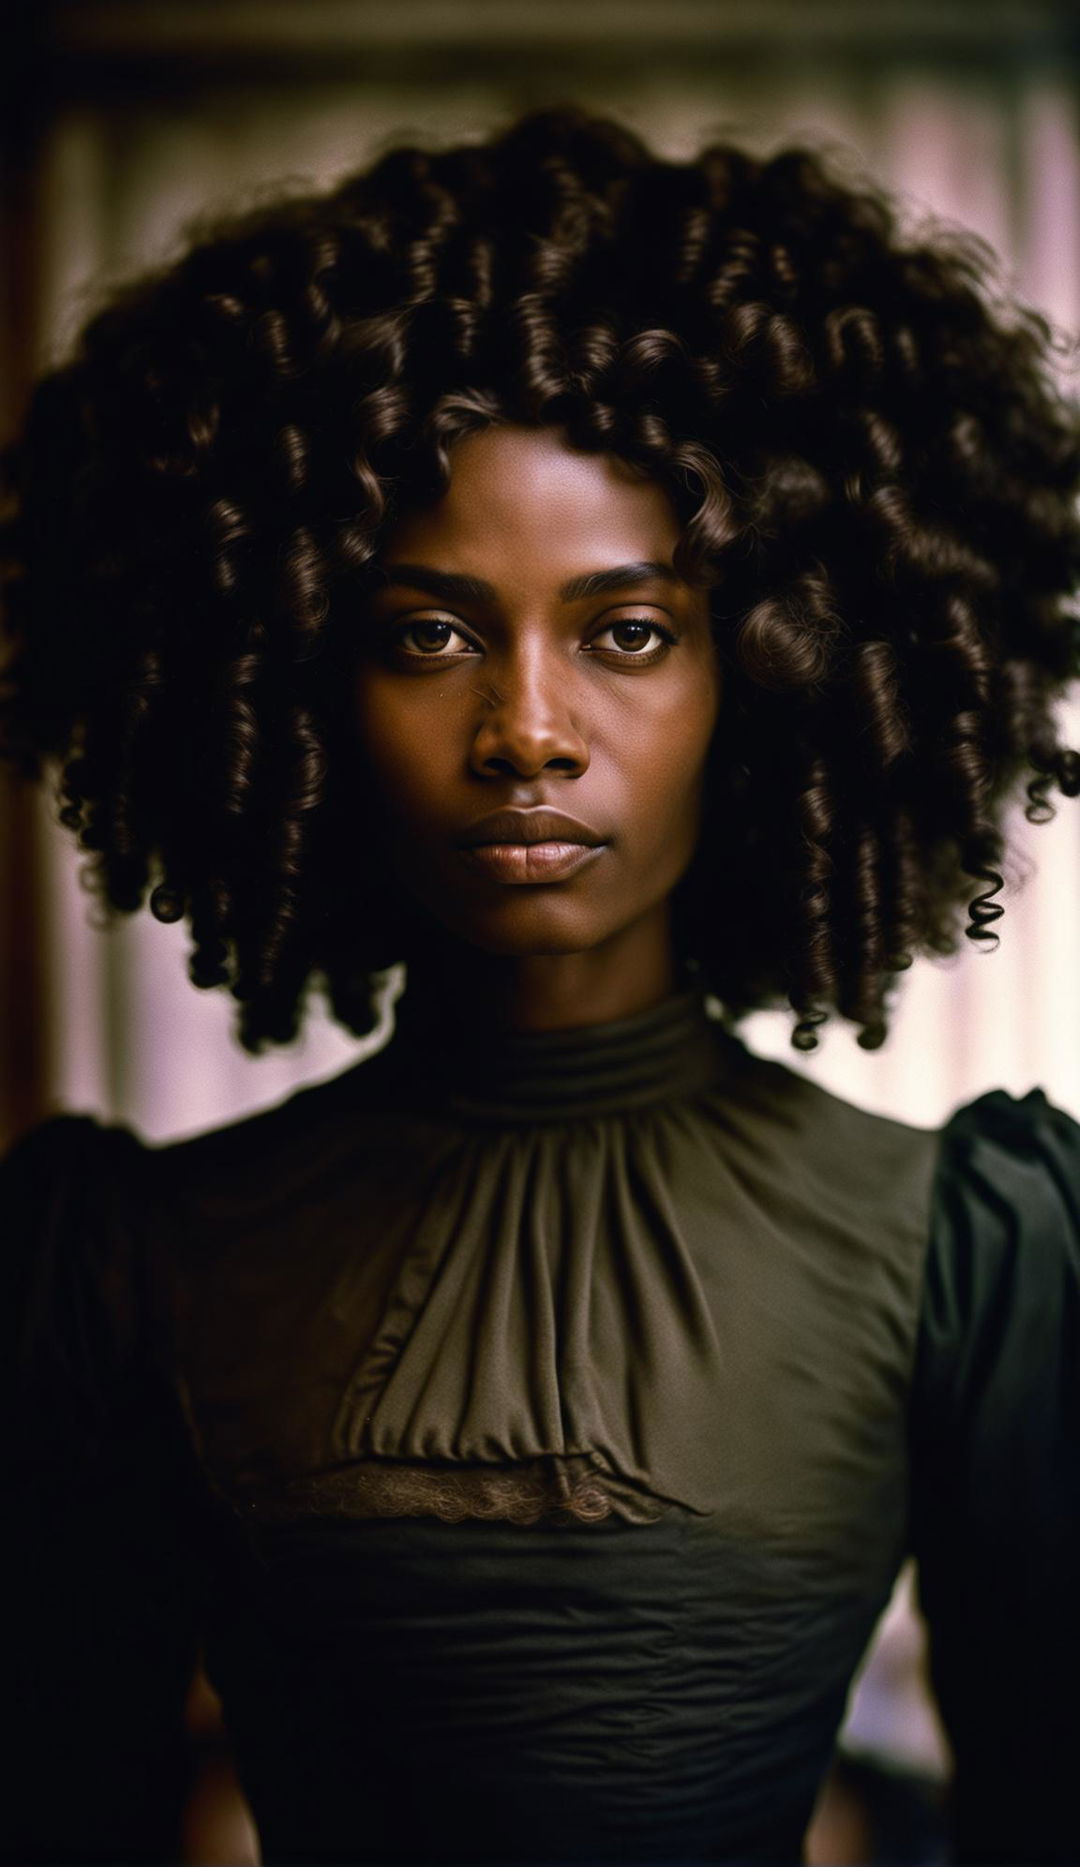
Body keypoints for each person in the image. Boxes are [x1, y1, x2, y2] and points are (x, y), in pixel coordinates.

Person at [2, 104, 1079, 1867]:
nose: (525, 731)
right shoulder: (127, 1270)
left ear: (789, 672)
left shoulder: (967, 1249)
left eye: (628, 632)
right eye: (427, 632)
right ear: (286, 686)